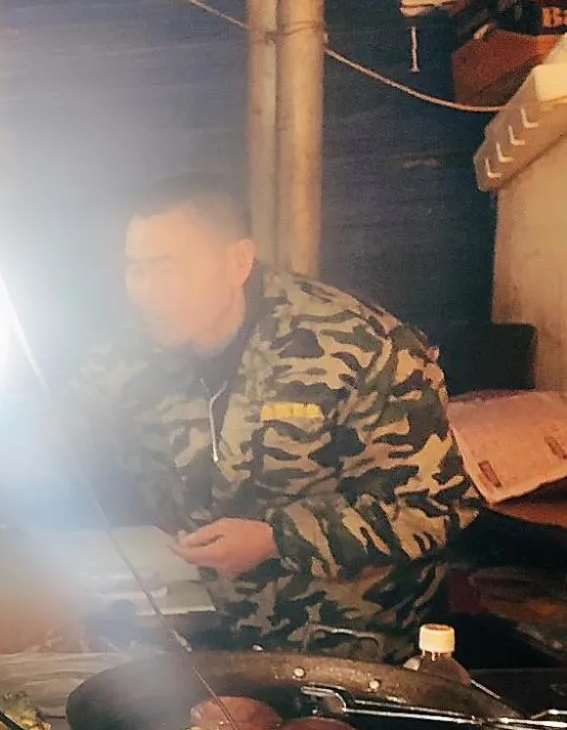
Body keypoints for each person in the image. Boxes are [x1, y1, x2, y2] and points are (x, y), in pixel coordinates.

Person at [66, 174, 480, 661]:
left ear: (237, 262)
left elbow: (436, 506)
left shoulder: (357, 348)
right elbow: (58, 431)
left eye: (168, 267)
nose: (148, 291)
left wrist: (276, 538)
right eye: (136, 269)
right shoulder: (131, 351)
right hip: (208, 628)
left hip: (352, 643)